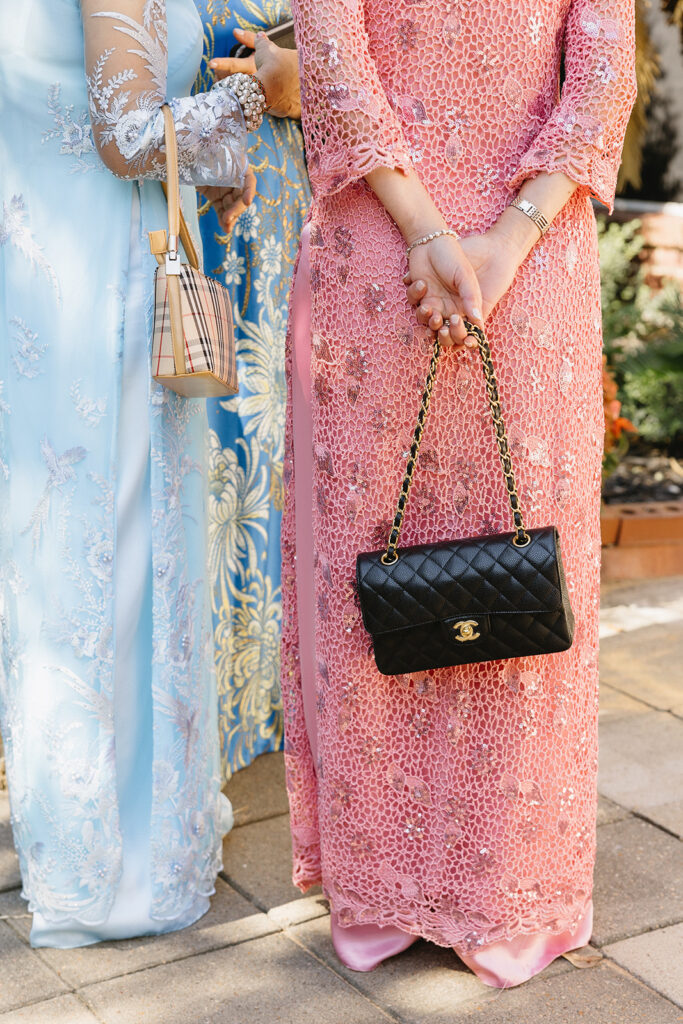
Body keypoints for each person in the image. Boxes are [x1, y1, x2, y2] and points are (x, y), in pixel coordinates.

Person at [280, 0, 636, 987]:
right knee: (515, 555)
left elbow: (336, 71)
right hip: (526, 267)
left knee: (371, 550)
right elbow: (601, 80)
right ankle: (503, 896)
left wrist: (431, 237)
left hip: (381, 258)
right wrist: (501, 244)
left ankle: (380, 895)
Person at [0, 0, 293, 948]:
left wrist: (214, 164)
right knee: (111, 573)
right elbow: (129, 139)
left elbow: (93, 127)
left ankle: (82, 851)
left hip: (60, 288)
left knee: (74, 580)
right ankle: (107, 874)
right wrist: (262, 88)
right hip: (104, 305)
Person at [194, 7, 311, 778]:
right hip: (181, 200)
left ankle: (267, 699)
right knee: (200, 440)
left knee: (271, 445)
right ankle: (199, 707)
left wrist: (305, 87)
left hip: (285, 205)